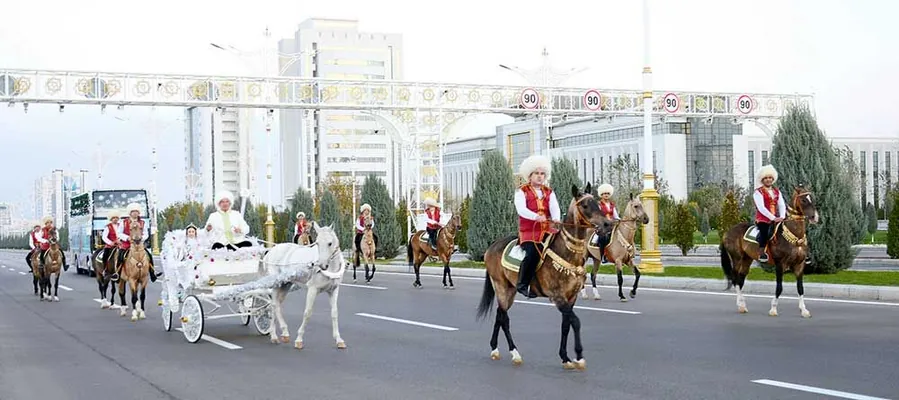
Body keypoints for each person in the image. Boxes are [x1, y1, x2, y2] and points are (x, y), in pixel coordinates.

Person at [514, 154, 561, 298]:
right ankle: (523, 283)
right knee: (532, 255)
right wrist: (536, 217)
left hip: (548, 229)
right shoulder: (521, 191)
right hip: (529, 231)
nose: (540, 177)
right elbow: (521, 210)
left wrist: (556, 219)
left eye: (542, 174)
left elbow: (554, 207)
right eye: (537, 174)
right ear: (530, 175)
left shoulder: (549, 192)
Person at [112, 203, 159, 282]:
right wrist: (127, 238)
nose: (135, 213)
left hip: (139, 245)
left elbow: (146, 233)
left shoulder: (143, 222)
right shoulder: (124, 222)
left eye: (136, 211)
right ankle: (117, 273)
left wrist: (141, 239)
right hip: (127, 244)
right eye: (133, 211)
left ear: (139, 213)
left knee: (149, 256)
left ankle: (153, 272)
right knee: (120, 256)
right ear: (130, 213)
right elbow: (119, 233)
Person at [753, 165, 786, 263]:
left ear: (773, 179)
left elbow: (781, 205)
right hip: (763, 220)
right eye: (766, 178)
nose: (768, 180)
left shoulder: (777, 191)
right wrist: (773, 218)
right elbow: (761, 208)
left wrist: (782, 216)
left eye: (770, 178)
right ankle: (762, 252)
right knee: (764, 233)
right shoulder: (758, 192)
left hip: (776, 219)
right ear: (762, 180)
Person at [594, 183, 620, 263]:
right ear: (601, 194)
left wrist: (620, 220)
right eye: (604, 193)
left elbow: (615, 216)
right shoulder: (599, 205)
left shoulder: (612, 205)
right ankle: (603, 256)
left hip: (611, 225)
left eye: (608, 194)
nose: (606, 195)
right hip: (603, 225)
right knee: (604, 237)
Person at [100, 210, 124, 277]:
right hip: (111, 246)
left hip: (121, 244)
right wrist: (111, 243)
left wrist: (121, 240)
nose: (115, 219)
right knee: (105, 256)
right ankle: (105, 269)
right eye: (114, 218)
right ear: (111, 219)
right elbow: (104, 237)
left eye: (116, 218)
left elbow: (123, 234)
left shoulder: (121, 226)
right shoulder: (108, 227)